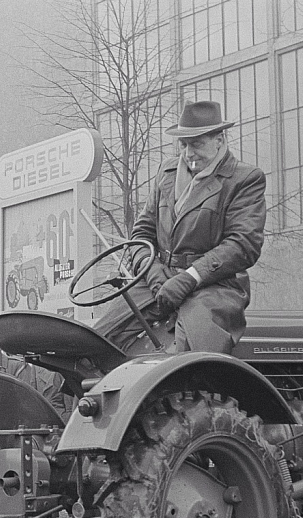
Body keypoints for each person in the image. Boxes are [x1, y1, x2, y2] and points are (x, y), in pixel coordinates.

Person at [94, 100, 266, 355]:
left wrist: (190, 277)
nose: (189, 153)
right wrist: (150, 270)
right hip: (158, 280)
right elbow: (141, 234)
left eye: (197, 143)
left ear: (219, 140)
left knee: (191, 357)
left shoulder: (244, 179)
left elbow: (243, 244)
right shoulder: (167, 172)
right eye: (184, 144)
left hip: (215, 288)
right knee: (97, 340)